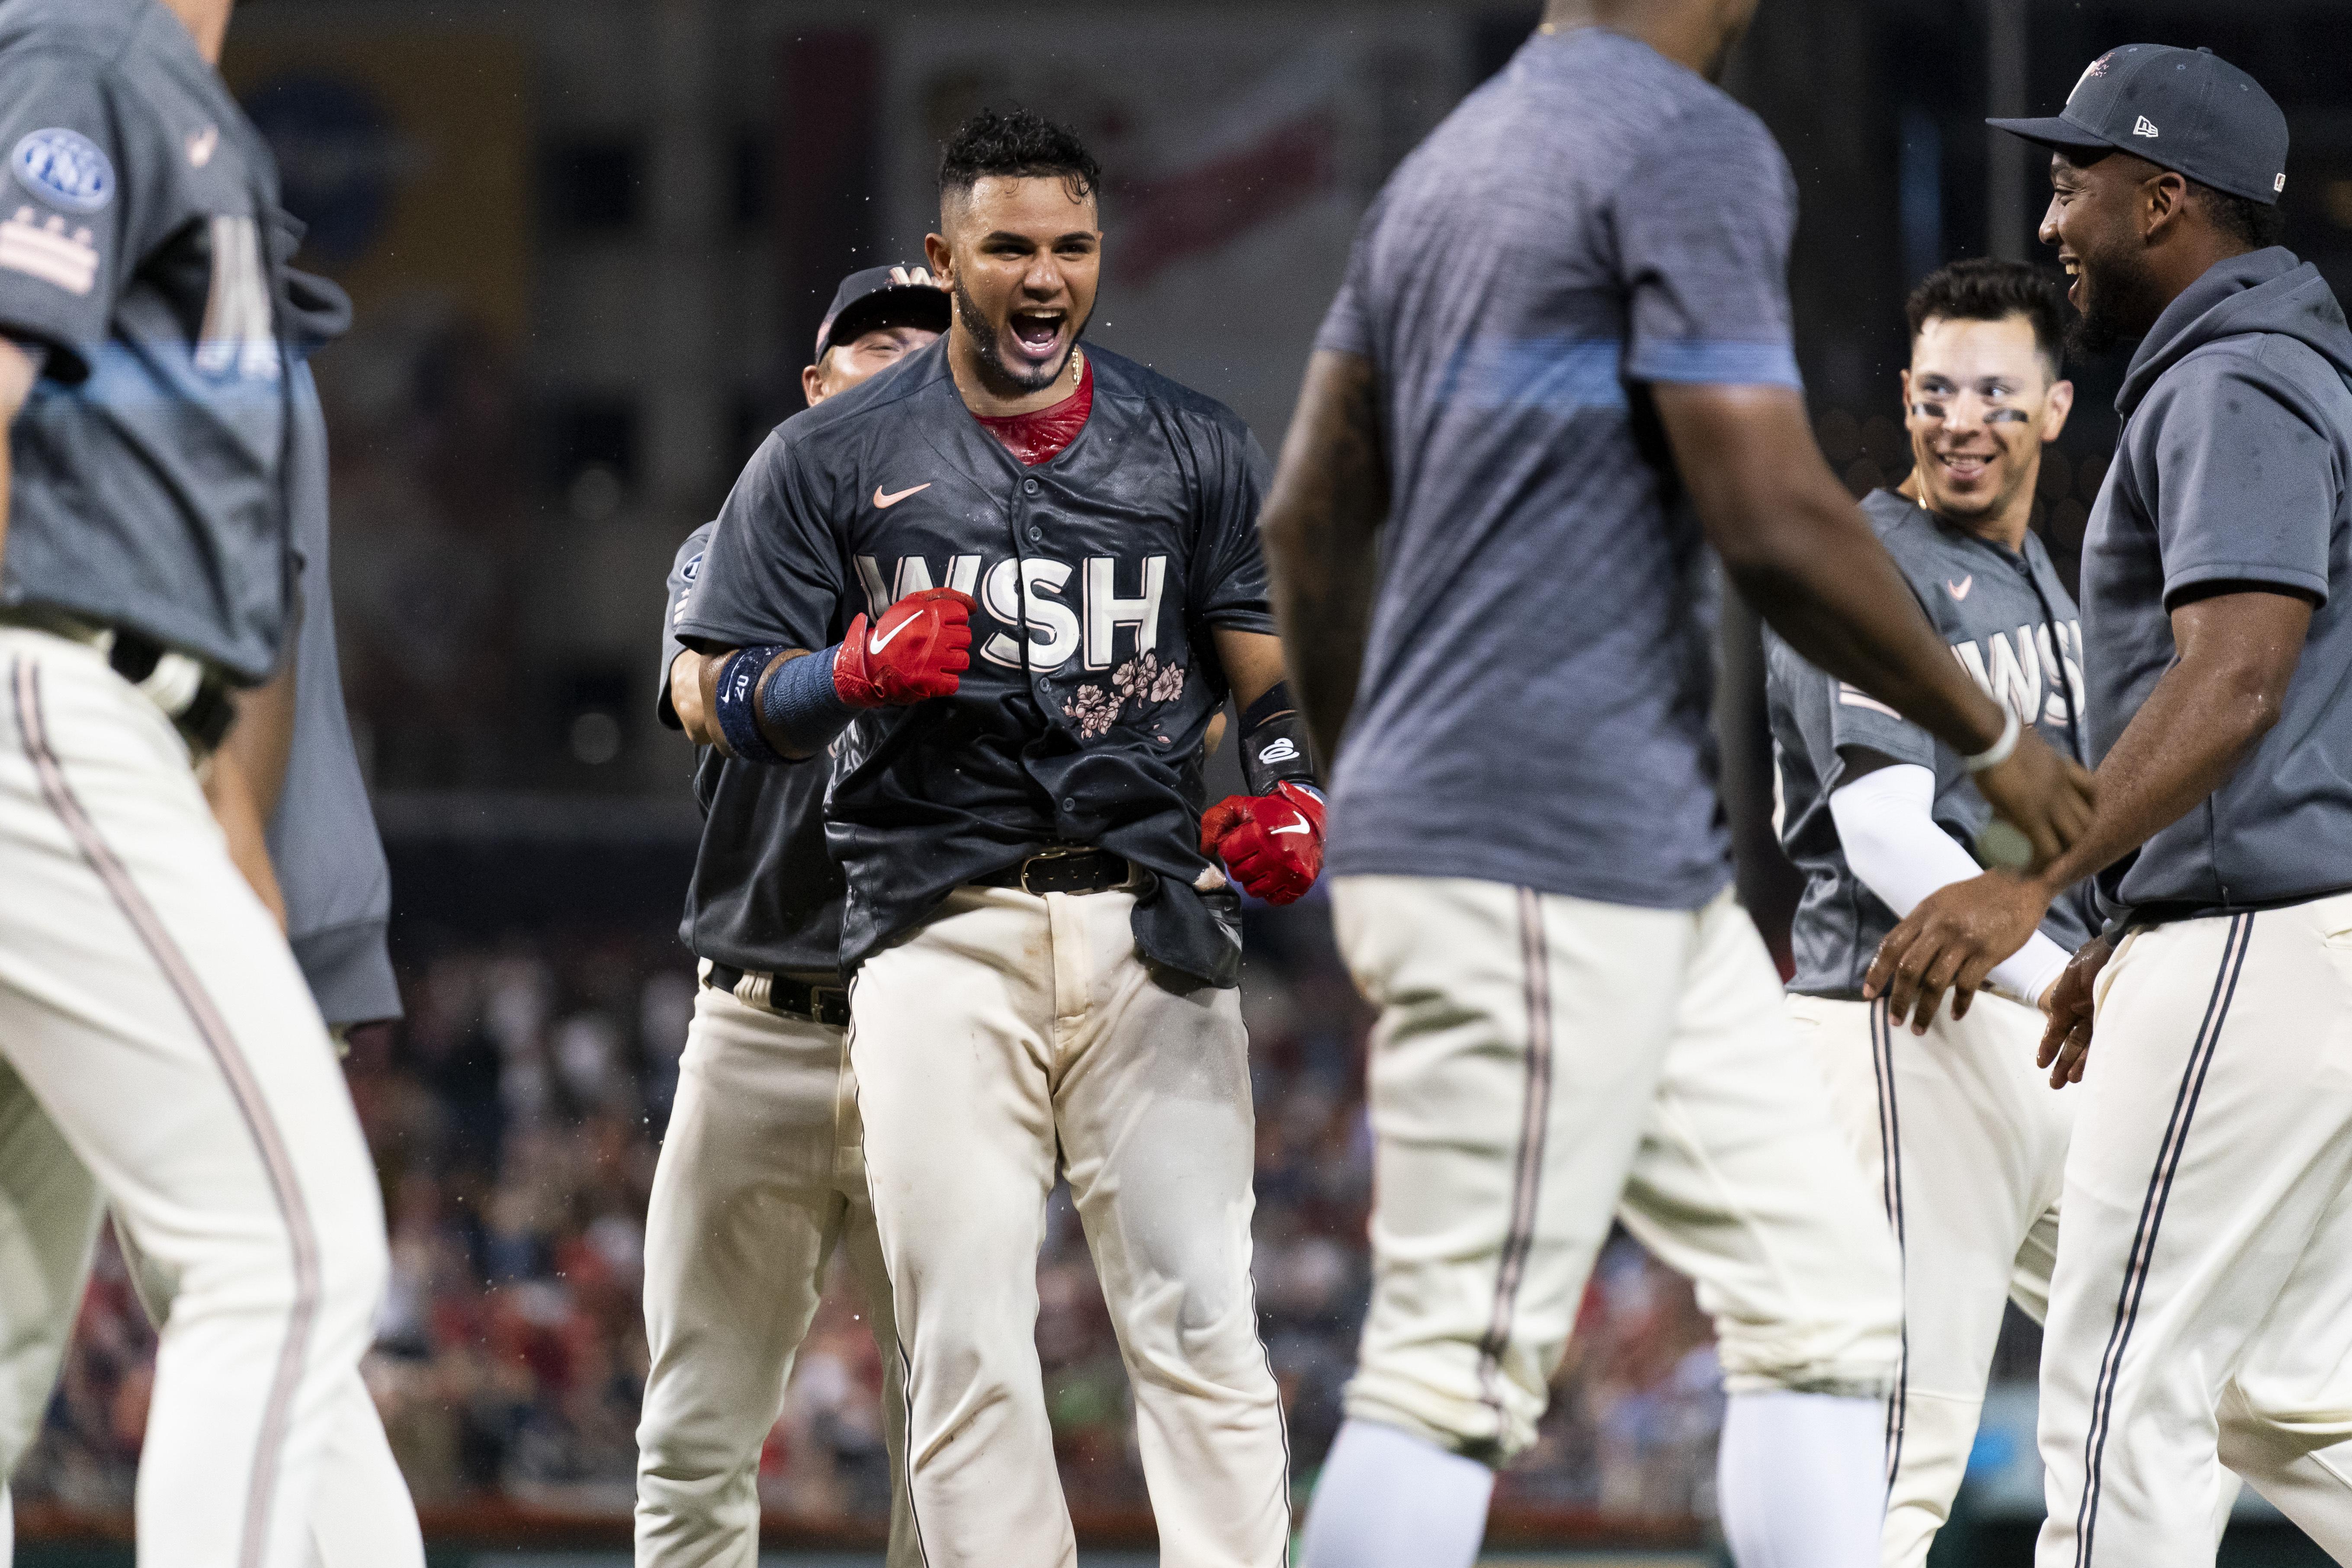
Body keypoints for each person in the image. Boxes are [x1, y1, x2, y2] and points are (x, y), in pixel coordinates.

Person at [1256, 0, 2100, 1564]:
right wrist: (1991, 737)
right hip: (1527, 839)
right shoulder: (1683, 139)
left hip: (1646, 866)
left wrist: (1371, 768)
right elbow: (1771, 511)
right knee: (1453, 1365)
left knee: (1830, 1298)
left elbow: (1309, 514)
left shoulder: (1445, 171)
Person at [675, 108, 1305, 1566]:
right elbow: (709, 690)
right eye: (1009, 244)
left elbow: (1267, 674)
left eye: (1071, 245)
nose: (1043, 275)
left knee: (1206, 1320)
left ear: (1103, 256)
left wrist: (1291, 789)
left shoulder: (1196, 446)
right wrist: (838, 673)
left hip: (1153, 923)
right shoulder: (825, 459)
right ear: (945, 255)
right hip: (935, 929)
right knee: (963, 1339)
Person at [1865, 44, 2352, 1567]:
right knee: (2289, 1395)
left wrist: (2029, 880)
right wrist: (2115, 925)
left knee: (2119, 1390)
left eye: (2077, 180)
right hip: (2280, 936)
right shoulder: (2281, 365)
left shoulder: (2234, 377)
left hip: (2258, 946)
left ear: (2165, 198)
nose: (2055, 215)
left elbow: (2235, 682)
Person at [0, 0, 391, 1563]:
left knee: (17, 1316)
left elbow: (223, 560)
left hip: (125, 733)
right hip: (52, 716)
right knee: (286, 1254)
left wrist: (234, 823)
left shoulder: (164, 96)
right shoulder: (80, 57)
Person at [1770, 259, 2096, 1566]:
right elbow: (1887, 833)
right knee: (1902, 1455)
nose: (1963, 417)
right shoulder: (1868, 561)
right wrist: (2084, 984)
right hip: (1900, 1027)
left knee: (2192, 1351)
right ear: (1906, 396)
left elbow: (2043, 841)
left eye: (1997, 392)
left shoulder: (2042, 582)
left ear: (2056, 409)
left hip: (2033, 1029)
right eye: (1940, 388)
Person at [635, 262, 947, 1568]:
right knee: (695, 1437)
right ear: (815, 386)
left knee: (961, 1440)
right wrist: (849, 670)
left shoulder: (1032, 557)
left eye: (938, 346)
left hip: (939, 1028)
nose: (913, 363)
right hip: (756, 1024)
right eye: (879, 344)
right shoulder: (735, 540)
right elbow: (709, 694)